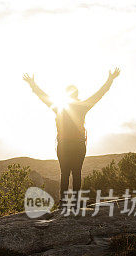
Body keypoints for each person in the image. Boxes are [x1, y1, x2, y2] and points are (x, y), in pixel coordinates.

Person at [22, 68, 120, 207]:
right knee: (77, 173)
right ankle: (76, 202)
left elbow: (42, 96)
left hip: (63, 145)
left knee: (65, 173)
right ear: (77, 95)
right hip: (79, 145)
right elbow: (99, 94)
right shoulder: (82, 107)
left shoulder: (58, 107)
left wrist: (32, 84)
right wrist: (110, 80)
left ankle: (63, 202)